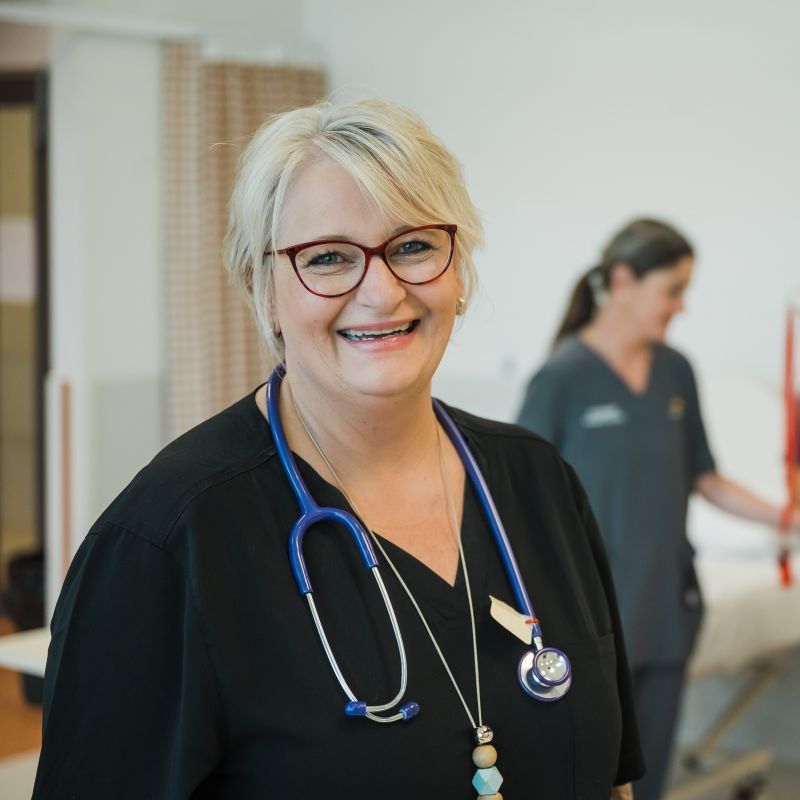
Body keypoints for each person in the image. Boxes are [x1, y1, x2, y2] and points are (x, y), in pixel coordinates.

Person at [33, 99, 643, 799]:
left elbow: (610, 777)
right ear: (264, 294)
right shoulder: (168, 542)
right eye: (327, 258)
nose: (382, 291)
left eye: (414, 245)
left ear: (459, 272)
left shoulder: (539, 484)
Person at [516, 218, 800, 800]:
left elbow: (705, 476)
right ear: (623, 280)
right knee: (589, 779)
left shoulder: (676, 371)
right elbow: (520, 499)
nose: (682, 306)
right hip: (589, 611)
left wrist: (786, 518)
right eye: (673, 289)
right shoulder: (561, 379)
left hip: (669, 606)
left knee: (649, 782)